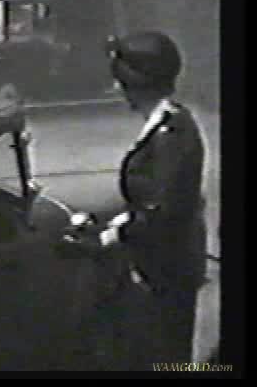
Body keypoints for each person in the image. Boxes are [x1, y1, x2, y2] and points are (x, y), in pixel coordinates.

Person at [57, 31, 207, 370]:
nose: (117, 88)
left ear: (137, 82)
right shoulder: (168, 123)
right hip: (162, 262)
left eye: (121, 81)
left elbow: (161, 209)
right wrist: (117, 221)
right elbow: (152, 201)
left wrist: (112, 236)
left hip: (164, 269)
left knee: (161, 357)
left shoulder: (171, 133)